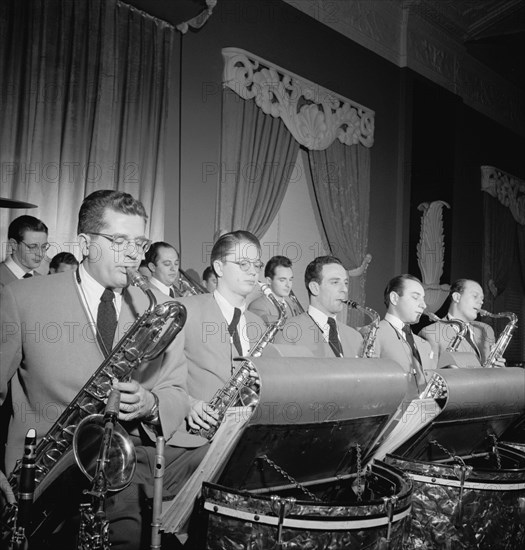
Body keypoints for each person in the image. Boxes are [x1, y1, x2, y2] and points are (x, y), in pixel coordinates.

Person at [0, 190, 204, 550]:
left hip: (121, 483)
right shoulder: (23, 299)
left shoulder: (157, 308)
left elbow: (176, 393)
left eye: (139, 242)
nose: (133, 254)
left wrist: (151, 403)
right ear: (85, 243)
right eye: (119, 240)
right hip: (38, 487)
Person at [172, 230, 266, 439]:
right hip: (194, 438)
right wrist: (187, 402)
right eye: (243, 264)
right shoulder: (183, 310)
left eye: (257, 264)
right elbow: (155, 379)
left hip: (246, 437)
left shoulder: (258, 324)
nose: (253, 272)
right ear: (218, 267)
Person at [274, 256, 363, 358]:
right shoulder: (288, 331)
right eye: (335, 282)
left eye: (346, 283)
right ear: (314, 288)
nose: (344, 289)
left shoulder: (355, 337)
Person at [372, 274, 437, 397]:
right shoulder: (373, 334)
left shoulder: (425, 344)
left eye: (423, 298)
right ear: (394, 298)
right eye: (415, 297)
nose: (423, 305)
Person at [419, 278, 501, 367]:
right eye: (475, 296)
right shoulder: (430, 333)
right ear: (457, 297)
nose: (481, 302)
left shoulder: (486, 330)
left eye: (482, 299)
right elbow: (429, 376)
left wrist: (498, 370)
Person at [248, 255, 302, 325]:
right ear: (269, 281)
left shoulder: (290, 306)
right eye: (282, 280)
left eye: (290, 279)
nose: (288, 285)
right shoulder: (256, 306)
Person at [0, 215, 49, 288]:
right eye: (33, 247)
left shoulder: (42, 281)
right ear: (13, 244)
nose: (40, 254)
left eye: (44, 246)